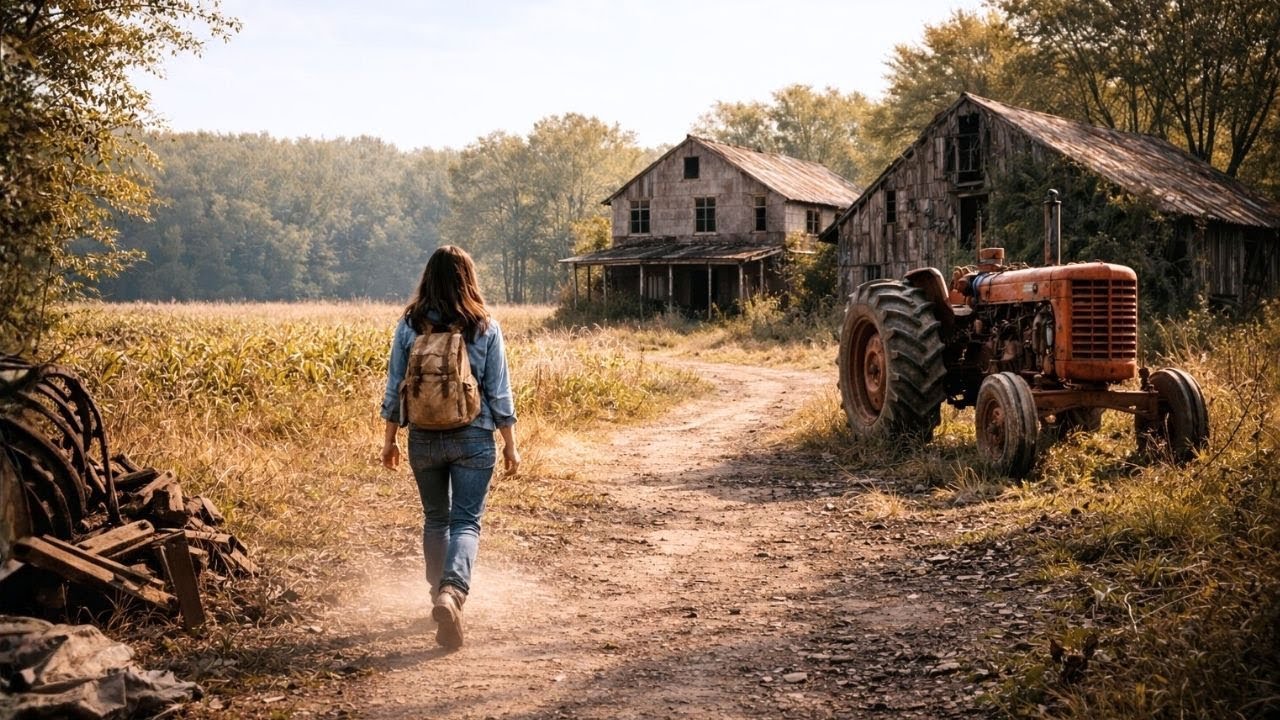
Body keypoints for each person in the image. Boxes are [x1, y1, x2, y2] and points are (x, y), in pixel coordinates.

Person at [380, 245, 519, 649]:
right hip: (474, 437)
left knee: (435, 519)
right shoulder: (484, 325)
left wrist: (390, 438)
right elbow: (499, 391)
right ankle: (452, 593)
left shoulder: (410, 324)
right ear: (468, 278)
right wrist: (510, 444)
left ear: (428, 278)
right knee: (466, 521)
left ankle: (436, 593)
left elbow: (395, 387)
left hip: (424, 436)